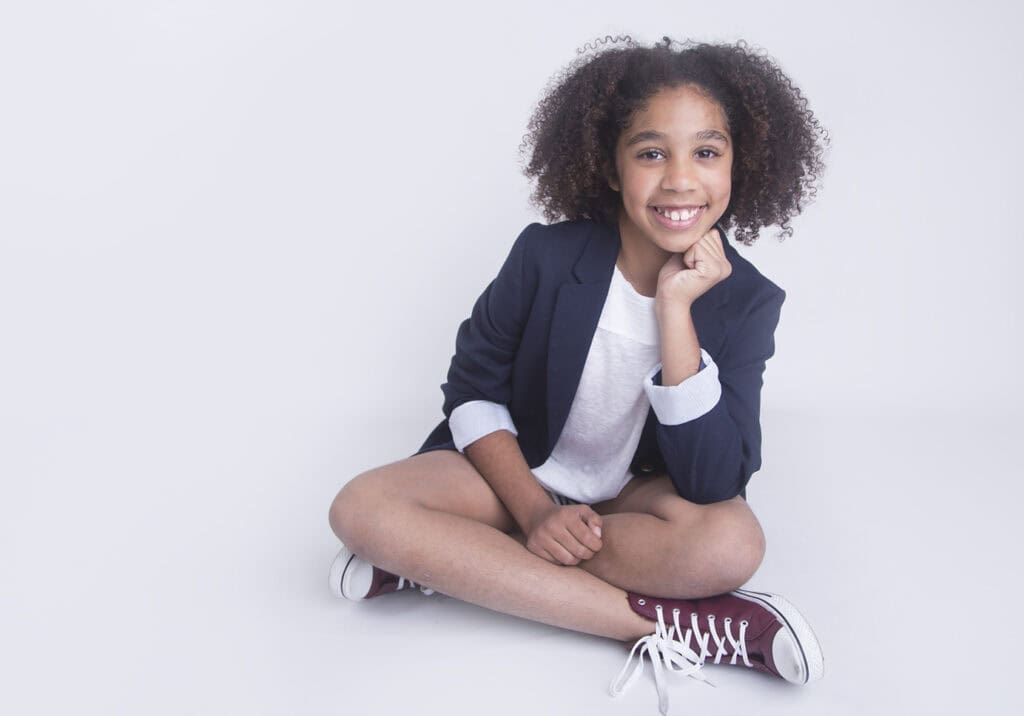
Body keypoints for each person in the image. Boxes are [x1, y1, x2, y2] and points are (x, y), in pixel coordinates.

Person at [328, 35, 828, 714]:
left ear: (742, 163)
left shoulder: (747, 300)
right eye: (651, 152)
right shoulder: (545, 255)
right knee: (361, 508)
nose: (681, 179)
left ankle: (452, 563)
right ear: (611, 167)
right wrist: (534, 512)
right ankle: (660, 625)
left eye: (706, 152)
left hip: (627, 500)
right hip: (517, 478)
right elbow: (472, 391)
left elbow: (715, 481)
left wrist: (677, 311)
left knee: (734, 541)